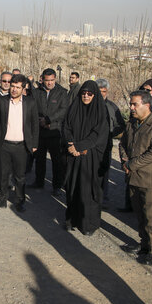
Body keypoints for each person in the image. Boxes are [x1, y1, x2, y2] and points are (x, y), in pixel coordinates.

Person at [119, 90, 152, 265]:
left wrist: (131, 164)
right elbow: (123, 144)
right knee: (140, 214)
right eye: (131, 104)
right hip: (134, 178)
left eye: (135, 104)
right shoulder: (132, 123)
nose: (131, 108)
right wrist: (125, 160)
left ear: (147, 105)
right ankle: (144, 244)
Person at [62, 80, 109, 235]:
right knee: (72, 188)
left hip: (90, 158)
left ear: (94, 95)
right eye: (84, 93)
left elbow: (98, 134)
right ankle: (71, 219)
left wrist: (79, 147)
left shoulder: (100, 112)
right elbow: (66, 127)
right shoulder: (74, 108)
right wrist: (71, 145)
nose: (86, 96)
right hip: (73, 157)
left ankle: (88, 225)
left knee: (88, 191)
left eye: (90, 94)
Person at [0, 74, 39, 212]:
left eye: (18, 87)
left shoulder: (30, 103)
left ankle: (19, 200)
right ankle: (2, 197)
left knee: (20, 176)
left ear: (23, 88)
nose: (14, 89)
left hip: (21, 146)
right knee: (3, 174)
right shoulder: (1, 101)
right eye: (12, 86)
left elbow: (35, 125)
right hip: (4, 145)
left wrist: (34, 144)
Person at [32, 68, 69, 194]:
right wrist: (39, 120)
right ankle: (39, 182)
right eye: (47, 80)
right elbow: (32, 108)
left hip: (55, 131)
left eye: (52, 80)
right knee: (40, 158)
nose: (49, 83)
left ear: (55, 79)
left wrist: (48, 120)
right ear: (42, 79)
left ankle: (57, 186)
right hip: (40, 131)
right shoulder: (37, 92)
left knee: (56, 160)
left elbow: (63, 110)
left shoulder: (62, 92)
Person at [97, 78, 125, 204]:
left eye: (103, 91)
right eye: (99, 91)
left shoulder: (112, 107)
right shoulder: (86, 104)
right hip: (90, 146)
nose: (101, 93)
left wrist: (109, 134)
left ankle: (103, 199)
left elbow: (121, 125)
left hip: (106, 145)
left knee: (104, 173)